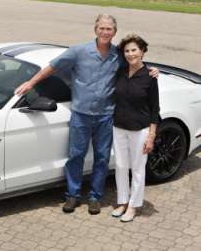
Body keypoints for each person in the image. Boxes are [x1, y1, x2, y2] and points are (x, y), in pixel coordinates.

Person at [15, 14, 158, 215]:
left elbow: (136, 62)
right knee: (76, 156)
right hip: (81, 114)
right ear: (95, 29)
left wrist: (153, 70)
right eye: (102, 28)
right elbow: (53, 66)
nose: (105, 32)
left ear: (114, 32)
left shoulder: (118, 54)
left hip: (106, 116)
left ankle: (95, 197)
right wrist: (31, 83)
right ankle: (72, 195)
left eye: (109, 29)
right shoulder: (79, 51)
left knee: (101, 158)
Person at [111, 34, 159, 222]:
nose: (130, 54)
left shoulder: (150, 77)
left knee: (138, 168)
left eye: (134, 50)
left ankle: (134, 205)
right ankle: (122, 201)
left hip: (140, 130)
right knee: (121, 166)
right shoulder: (120, 72)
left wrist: (151, 136)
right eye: (127, 51)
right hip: (119, 127)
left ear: (142, 52)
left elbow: (155, 108)